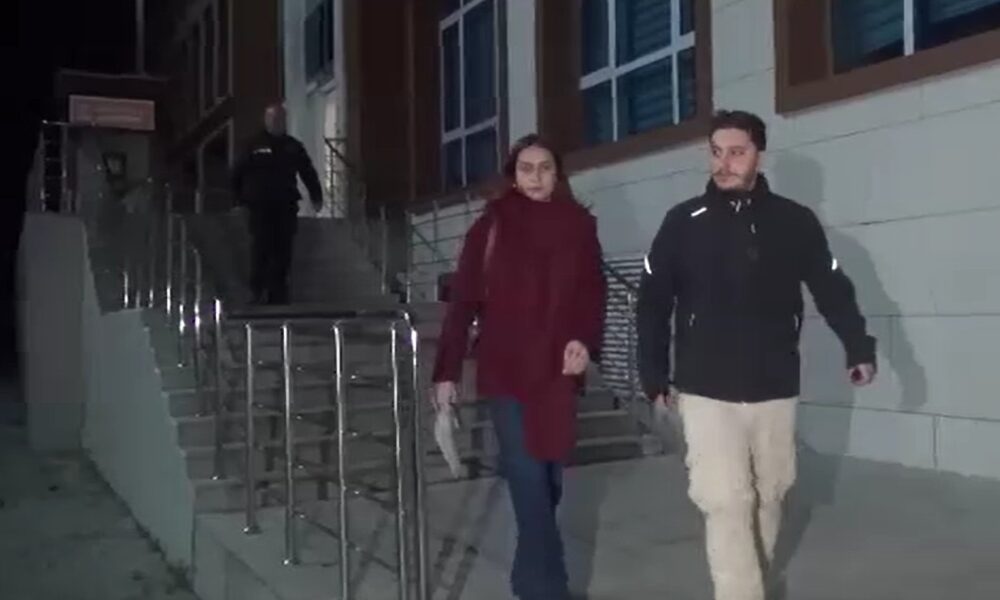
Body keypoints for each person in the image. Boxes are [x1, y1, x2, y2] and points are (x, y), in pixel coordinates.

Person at [637, 110, 877, 600]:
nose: (723, 163)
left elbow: (832, 287)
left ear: (758, 155)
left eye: (737, 152)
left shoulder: (794, 221)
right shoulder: (683, 223)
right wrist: (654, 374)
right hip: (705, 386)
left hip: (774, 384)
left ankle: (753, 587)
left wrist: (858, 346)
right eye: (716, 152)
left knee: (770, 495)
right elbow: (653, 303)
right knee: (725, 500)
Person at [431, 134, 606, 600]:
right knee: (528, 478)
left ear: (557, 174)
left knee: (548, 483)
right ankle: (549, 590)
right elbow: (462, 303)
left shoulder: (579, 226)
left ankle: (527, 581)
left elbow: (593, 293)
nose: (535, 177)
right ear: (513, 176)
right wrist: (446, 371)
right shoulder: (491, 226)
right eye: (526, 169)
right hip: (506, 370)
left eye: (544, 168)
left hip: (558, 373)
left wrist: (584, 340)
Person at [231, 104, 323, 305]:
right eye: (272, 118)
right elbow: (237, 172)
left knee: (283, 250)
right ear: (266, 120)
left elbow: (307, 172)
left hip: (285, 204)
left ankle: (278, 293)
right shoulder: (253, 144)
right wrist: (237, 200)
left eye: (280, 119)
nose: (276, 122)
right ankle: (257, 291)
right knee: (261, 248)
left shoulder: (293, 146)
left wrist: (316, 196)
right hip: (259, 205)